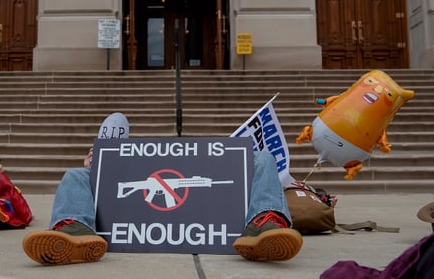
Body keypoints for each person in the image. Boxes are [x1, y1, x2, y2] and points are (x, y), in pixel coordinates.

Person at [22, 112, 303, 265]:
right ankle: (73, 231)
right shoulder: (129, 170)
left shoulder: (149, 162)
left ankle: (264, 224)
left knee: (265, 157)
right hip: (125, 187)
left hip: (207, 183)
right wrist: (95, 167)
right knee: (74, 174)